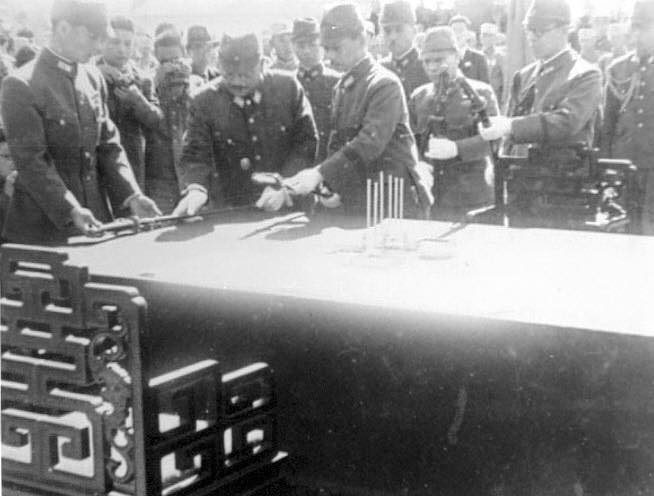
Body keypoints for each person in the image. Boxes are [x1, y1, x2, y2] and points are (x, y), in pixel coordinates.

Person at [0, 0, 160, 244]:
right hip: (44, 229)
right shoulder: (21, 84)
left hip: (94, 220)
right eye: (92, 36)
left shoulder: (92, 77)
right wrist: (69, 209)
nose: (98, 46)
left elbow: (108, 144)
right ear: (63, 28)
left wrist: (132, 195)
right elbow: (31, 161)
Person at [283, 3, 431, 215]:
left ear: (362, 40)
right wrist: (329, 186)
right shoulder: (343, 85)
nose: (329, 56)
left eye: (337, 48)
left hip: (394, 197)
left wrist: (321, 173)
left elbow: (369, 142)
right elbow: (336, 143)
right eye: (326, 48)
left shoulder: (384, 84)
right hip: (362, 195)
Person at [478, 0, 602, 223]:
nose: (532, 37)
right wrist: (497, 160)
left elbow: (567, 121)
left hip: (561, 192)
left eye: (540, 30)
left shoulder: (585, 74)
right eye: (529, 30)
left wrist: (510, 126)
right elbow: (510, 129)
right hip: (520, 188)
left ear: (565, 30)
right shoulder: (523, 76)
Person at [172, 32, 317, 216]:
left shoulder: (288, 88)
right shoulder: (203, 101)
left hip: (289, 208)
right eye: (230, 74)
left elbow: (306, 143)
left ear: (262, 64)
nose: (237, 82)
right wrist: (196, 189)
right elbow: (195, 154)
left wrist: (286, 185)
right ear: (219, 65)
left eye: (245, 74)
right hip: (231, 212)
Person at [410, 26, 499, 220]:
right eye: (427, 61)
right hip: (433, 195)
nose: (432, 67)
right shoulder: (420, 96)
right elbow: (413, 140)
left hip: (471, 196)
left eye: (439, 60)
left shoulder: (481, 93)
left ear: (457, 57)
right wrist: (419, 165)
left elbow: (494, 141)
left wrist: (457, 148)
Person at [601, 0, 654, 234]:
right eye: (635, 28)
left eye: (644, 28)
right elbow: (607, 125)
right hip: (623, 166)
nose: (637, 35)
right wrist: (604, 166)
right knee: (621, 228)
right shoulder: (617, 69)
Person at [146, 25, 192, 213]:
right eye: (165, 62)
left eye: (176, 60)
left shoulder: (195, 84)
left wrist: (187, 86)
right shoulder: (148, 85)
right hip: (160, 181)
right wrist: (158, 86)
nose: (172, 68)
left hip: (190, 179)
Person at [292, 17, 340, 162]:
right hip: (297, 164)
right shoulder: (288, 84)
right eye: (301, 45)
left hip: (329, 161)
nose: (306, 51)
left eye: (312, 45)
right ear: (293, 45)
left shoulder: (337, 81)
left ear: (321, 45)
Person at [379, 0, 429, 102]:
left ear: (414, 31)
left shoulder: (428, 66)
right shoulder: (379, 69)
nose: (393, 37)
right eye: (387, 31)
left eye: (399, 30)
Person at [449, 14, 490, 84]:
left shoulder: (478, 58)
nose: (457, 34)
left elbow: (485, 86)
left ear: (467, 33)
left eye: (461, 30)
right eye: (454, 30)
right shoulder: (443, 57)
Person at [480, 22, 505, 106]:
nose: (487, 39)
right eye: (484, 35)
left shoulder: (500, 56)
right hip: (480, 97)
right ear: (481, 38)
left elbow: (505, 79)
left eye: (490, 36)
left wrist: (504, 99)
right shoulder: (477, 56)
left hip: (497, 97)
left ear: (495, 38)